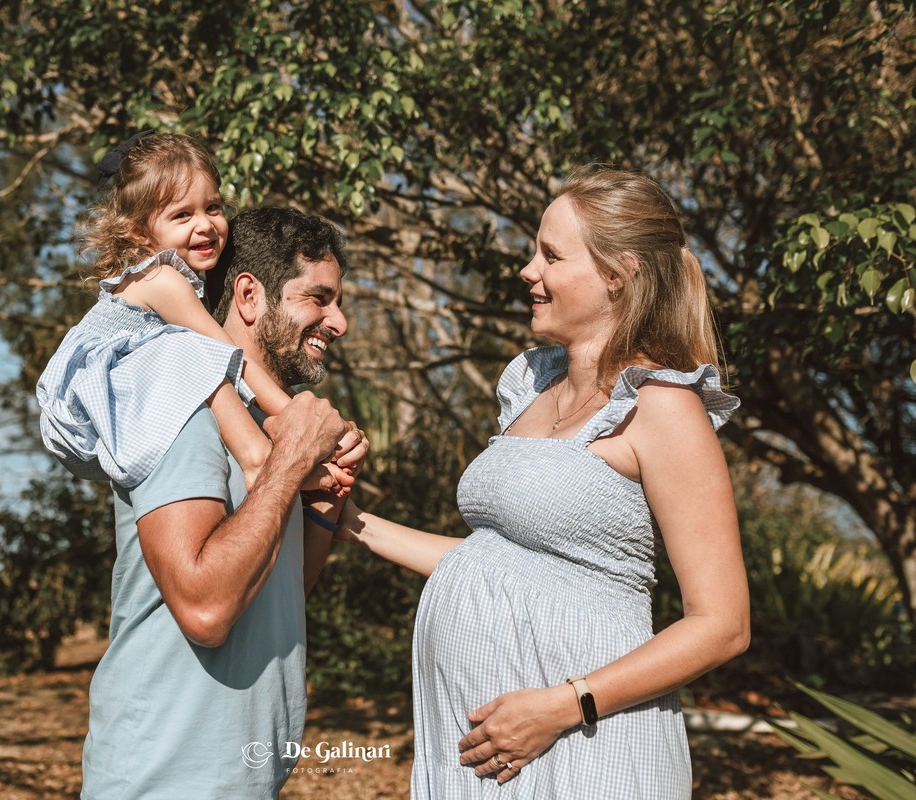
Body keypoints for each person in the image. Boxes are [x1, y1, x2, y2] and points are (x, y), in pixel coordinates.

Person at [336, 166, 750, 798]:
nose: (528, 270)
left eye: (551, 256)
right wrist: (349, 521)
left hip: (588, 745)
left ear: (618, 274)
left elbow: (722, 625)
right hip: (490, 751)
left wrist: (565, 705)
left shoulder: (663, 407)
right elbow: (494, 567)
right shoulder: (530, 388)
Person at [40, 198, 366, 798]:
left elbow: (276, 597)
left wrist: (326, 495)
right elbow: (207, 610)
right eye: (319, 298)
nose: (339, 322)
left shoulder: (269, 435)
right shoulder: (179, 400)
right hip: (164, 778)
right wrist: (290, 464)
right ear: (249, 295)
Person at [37, 130, 353, 493]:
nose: (204, 225)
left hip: (106, 418)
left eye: (212, 208)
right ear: (140, 232)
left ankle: (269, 449)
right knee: (202, 353)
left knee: (197, 351)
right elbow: (233, 359)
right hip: (80, 415)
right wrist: (302, 419)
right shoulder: (161, 279)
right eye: (182, 215)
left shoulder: (178, 282)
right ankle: (256, 457)